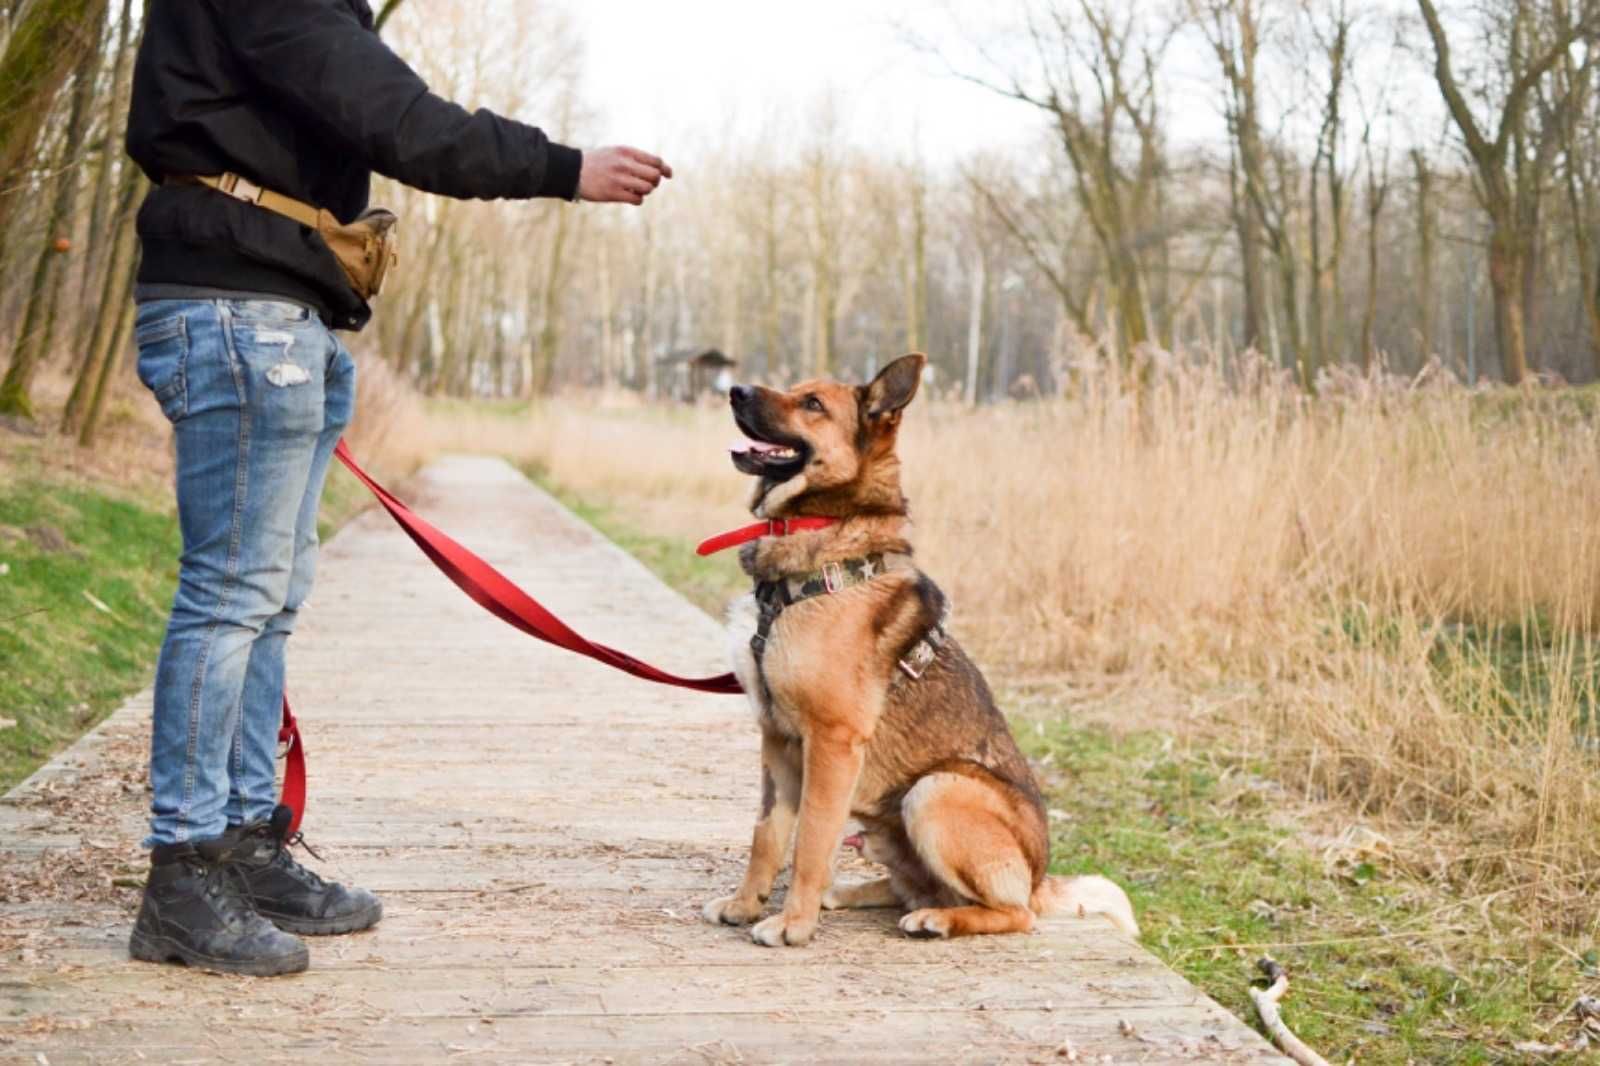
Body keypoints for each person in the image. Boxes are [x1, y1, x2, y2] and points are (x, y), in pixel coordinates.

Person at [123, 0, 671, 977]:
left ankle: (244, 844)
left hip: (279, 301)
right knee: (232, 594)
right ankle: (184, 872)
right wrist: (562, 168)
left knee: (269, 597)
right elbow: (399, 119)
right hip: (237, 306)